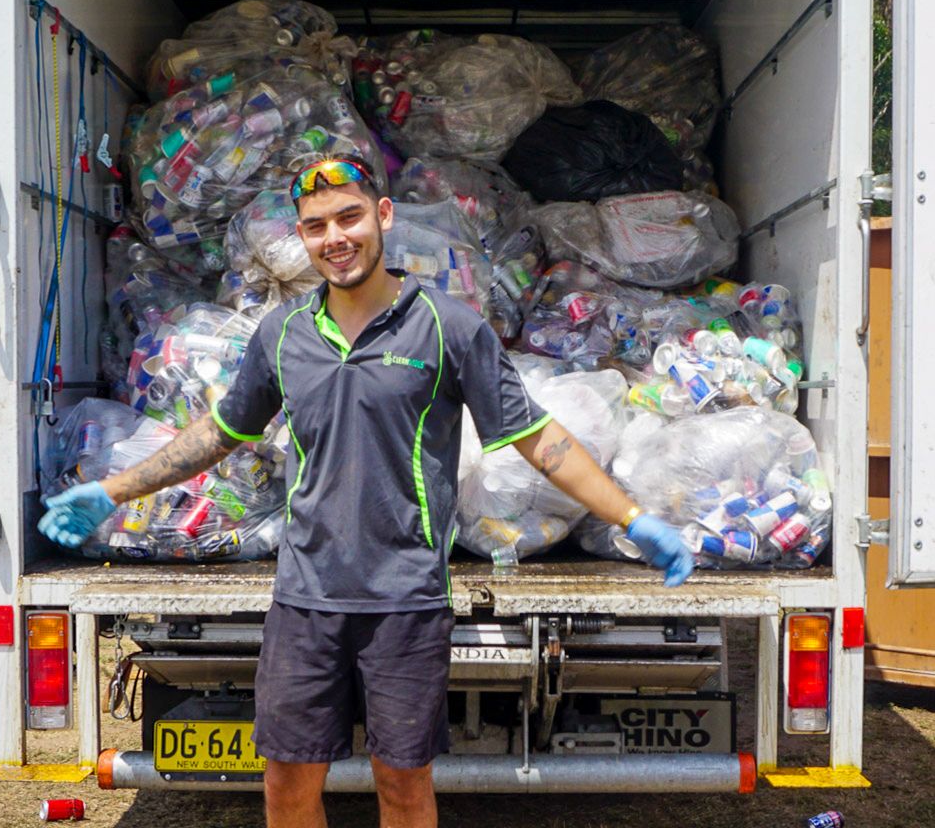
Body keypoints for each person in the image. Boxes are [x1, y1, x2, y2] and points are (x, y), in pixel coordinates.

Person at [39, 155, 693, 828]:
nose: (335, 238)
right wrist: (113, 490)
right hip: (304, 599)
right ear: (303, 237)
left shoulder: (447, 326)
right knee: (287, 784)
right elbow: (220, 433)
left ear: (383, 216)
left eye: (349, 216)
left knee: (402, 787)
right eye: (316, 226)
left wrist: (632, 516)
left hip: (405, 601)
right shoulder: (283, 332)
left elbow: (537, 438)